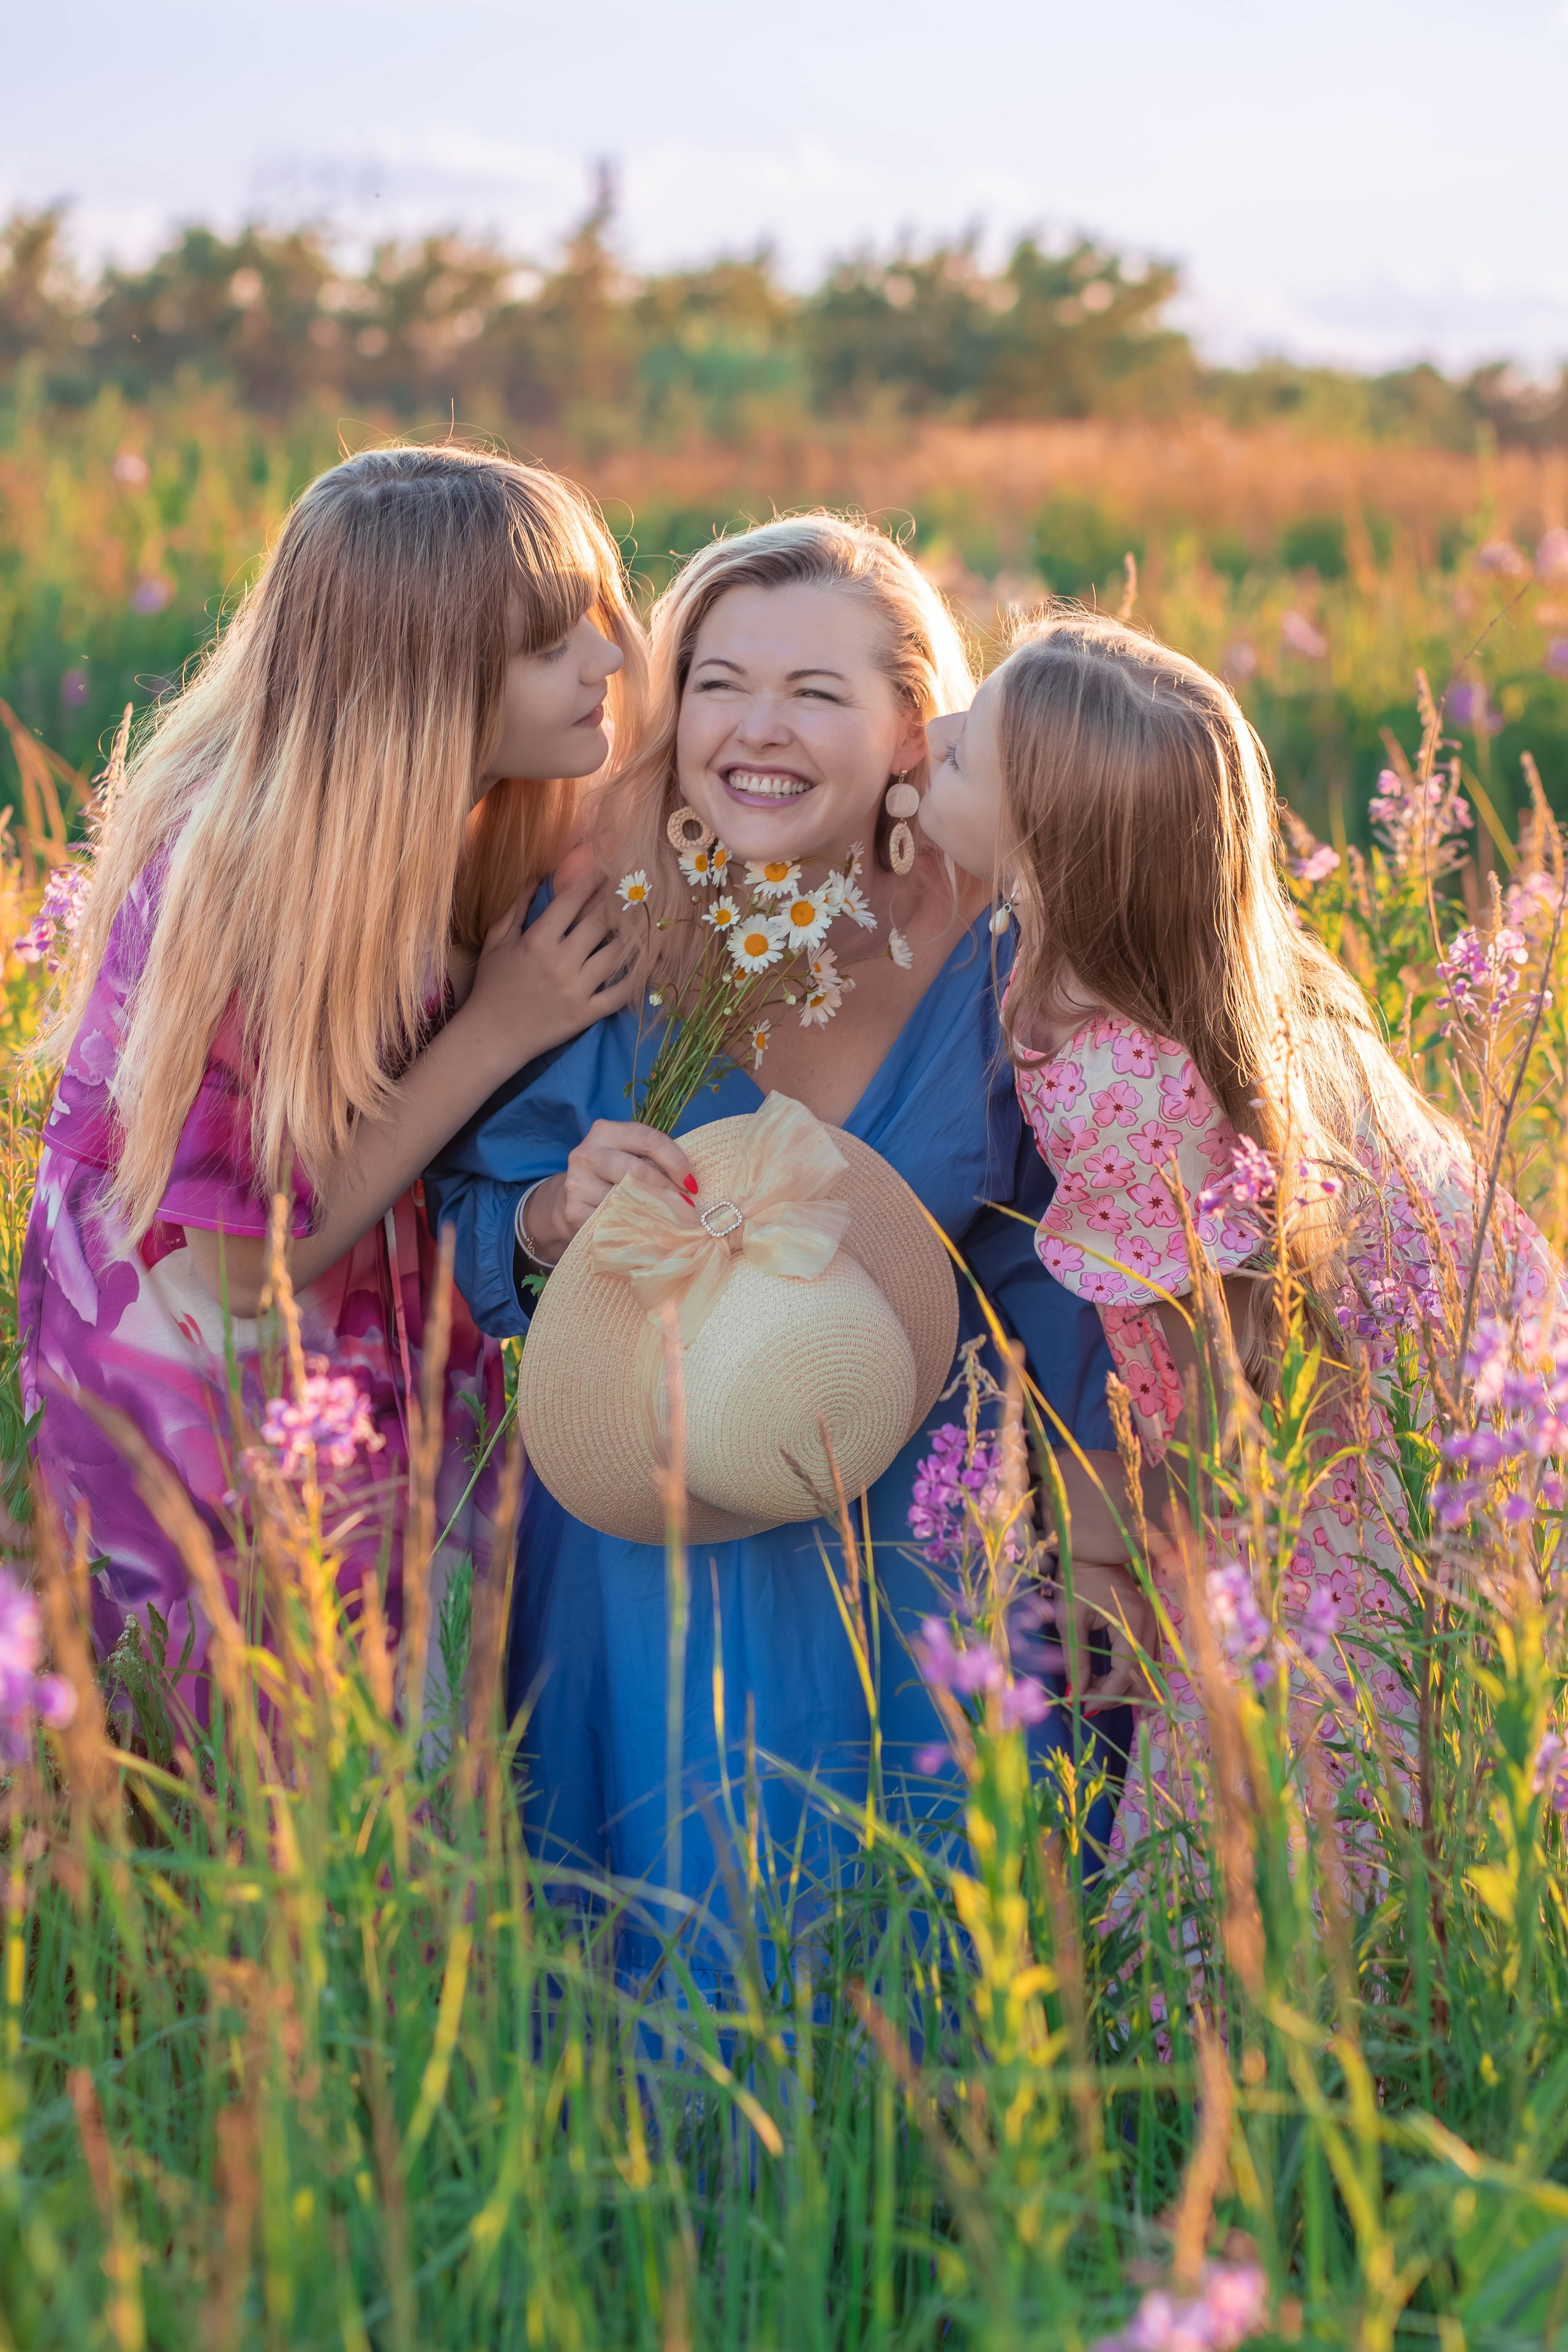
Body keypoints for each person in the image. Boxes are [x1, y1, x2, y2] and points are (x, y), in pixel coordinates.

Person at [426, 514, 1128, 1937]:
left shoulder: (1007, 942)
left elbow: (1080, 1275)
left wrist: (1104, 1540)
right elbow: (449, 1228)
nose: (755, 729)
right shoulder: (595, 930)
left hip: (927, 1526)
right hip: (649, 1516)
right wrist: (556, 1215)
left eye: (814, 694)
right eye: (714, 681)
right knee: (672, 1940)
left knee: (940, 1948)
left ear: (910, 729)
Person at [919, 605, 1560, 1864]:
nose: (927, 732)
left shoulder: (1118, 1078)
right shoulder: (1183, 978)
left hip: (1344, 1477)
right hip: (1438, 1415)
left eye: (956, 756)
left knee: (1256, 1804)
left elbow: (1201, 1362)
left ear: (1047, 846)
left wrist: (1127, 1558)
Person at [22, 443, 647, 1688]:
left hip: (368, 1392)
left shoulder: (438, 818)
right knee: (268, 1805)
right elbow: (248, 1267)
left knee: (412, 1764)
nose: (611, 660)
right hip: (219, 1443)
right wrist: (497, 1030)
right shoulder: (247, 876)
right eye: (551, 642)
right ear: (427, 678)